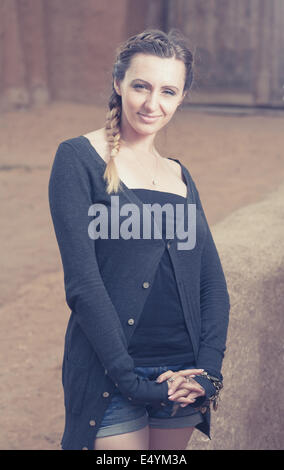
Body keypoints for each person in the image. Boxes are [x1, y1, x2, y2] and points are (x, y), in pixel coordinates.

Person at [48, 28, 230, 451]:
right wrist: (129, 379)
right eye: (141, 87)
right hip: (111, 375)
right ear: (118, 83)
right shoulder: (78, 159)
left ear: (181, 97)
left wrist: (207, 372)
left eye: (168, 91)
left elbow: (211, 285)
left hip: (182, 376)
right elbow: (83, 284)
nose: (153, 104)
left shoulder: (180, 176)